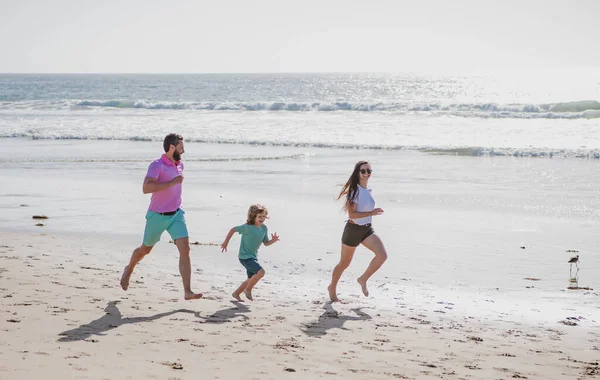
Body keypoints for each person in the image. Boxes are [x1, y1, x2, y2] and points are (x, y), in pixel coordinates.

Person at [120, 133, 202, 300]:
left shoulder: (180, 165)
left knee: (185, 249)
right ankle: (129, 268)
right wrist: (171, 183)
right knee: (145, 249)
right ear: (172, 147)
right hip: (157, 216)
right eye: (181, 147)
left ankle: (187, 291)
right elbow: (146, 188)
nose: (183, 150)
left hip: (176, 215)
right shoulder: (156, 165)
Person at [328, 161, 387, 302]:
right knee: (344, 263)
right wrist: (371, 212)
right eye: (363, 171)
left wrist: (371, 213)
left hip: (366, 229)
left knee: (382, 255)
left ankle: (363, 279)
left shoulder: (368, 190)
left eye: (369, 171)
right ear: (358, 173)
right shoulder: (355, 191)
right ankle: (332, 288)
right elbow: (352, 215)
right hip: (353, 230)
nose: (366, 173)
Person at [220, 204, 280, 301]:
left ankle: (236, 293)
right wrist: (225, 242)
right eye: (259, 216)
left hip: (253, 257)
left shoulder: (264, 228)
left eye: (264, 216)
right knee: (261, 272)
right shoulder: (247, 227)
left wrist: (273, 241)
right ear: (253, 216)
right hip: (245, 257)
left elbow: (265, 243)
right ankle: (248, 290)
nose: (262, 218)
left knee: (250, 279)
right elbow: (233, 230)